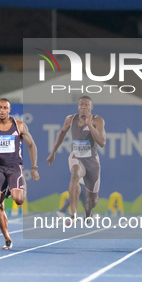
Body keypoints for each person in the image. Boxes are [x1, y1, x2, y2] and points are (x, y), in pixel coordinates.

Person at [0, 98, 39, 250]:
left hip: (14, 168)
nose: (2, 110)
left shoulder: (19, 126)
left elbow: (32, 145)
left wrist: (34, 167)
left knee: (19, 200)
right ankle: (7, 238)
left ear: (9, 110)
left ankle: (16, 188)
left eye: (5, 108)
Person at [47, 96, 106, 224]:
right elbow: (62, 133)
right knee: (75, 174)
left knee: (92, 201)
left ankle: (89, 211)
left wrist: (90, 125)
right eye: (81, 104)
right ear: (78, 106)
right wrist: (53, 152)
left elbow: (102, 142)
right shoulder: (70, 119)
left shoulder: (98, 120)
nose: (83, 107)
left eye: (86, 105)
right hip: (76, 157)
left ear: (91, 107)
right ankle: (73, 215)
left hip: (92, 161)